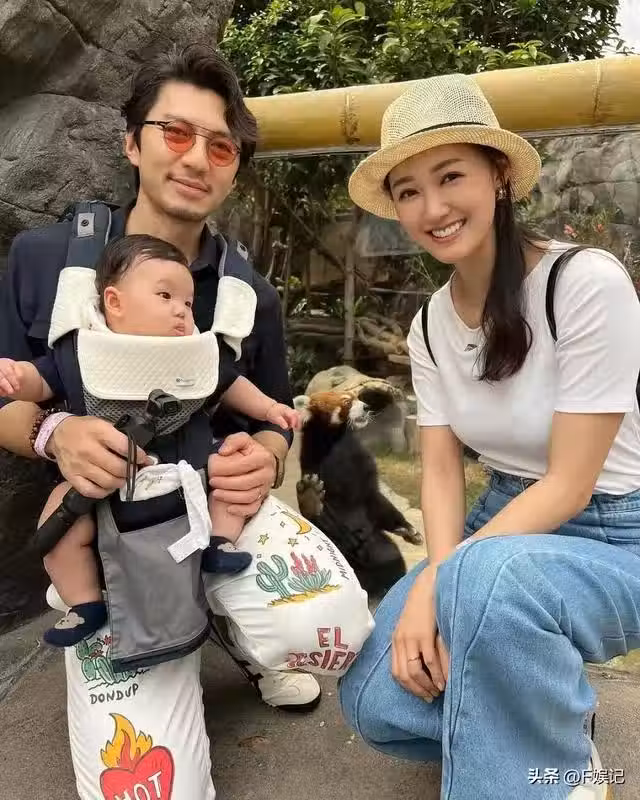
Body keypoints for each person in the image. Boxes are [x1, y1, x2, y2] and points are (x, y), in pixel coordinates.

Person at [339, 72, 640, 799]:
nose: (433, 208)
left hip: (618, 530)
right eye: (409, 191)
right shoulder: (429, 325)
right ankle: (548, 727)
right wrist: (439, 579)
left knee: (487, 581)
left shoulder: (585, 282)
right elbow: (441, 472)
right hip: (497, 523)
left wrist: (438, 584)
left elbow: (570, 484)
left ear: (499, 175)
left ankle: (555, 774)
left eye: (451, 177)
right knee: (375, 696)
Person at [0, 43, 321, 710]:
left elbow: (275, 414)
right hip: (105, 508)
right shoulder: (44, 259)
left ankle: (239, 625)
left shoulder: (250, 296)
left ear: (234, 170)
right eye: (175, 132)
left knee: (315, 626)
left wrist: (264, 459)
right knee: (142, 756)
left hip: (208, 499)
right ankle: (95, 605)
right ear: (131, 143)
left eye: (221, 147)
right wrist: (54, 433)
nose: (197, 159)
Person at [0, 233, 301, 646]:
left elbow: (229, 383)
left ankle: (220, 543)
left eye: (188, 303)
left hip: (188, 467)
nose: (181, 310)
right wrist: (16, 379)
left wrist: (269, 410)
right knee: (57, 525)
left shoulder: (195, 351)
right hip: (105, 479)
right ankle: (83, 602)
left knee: (228, 473)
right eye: (165, 296)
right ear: (114, 302)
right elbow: (42, 380)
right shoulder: (84, 348)